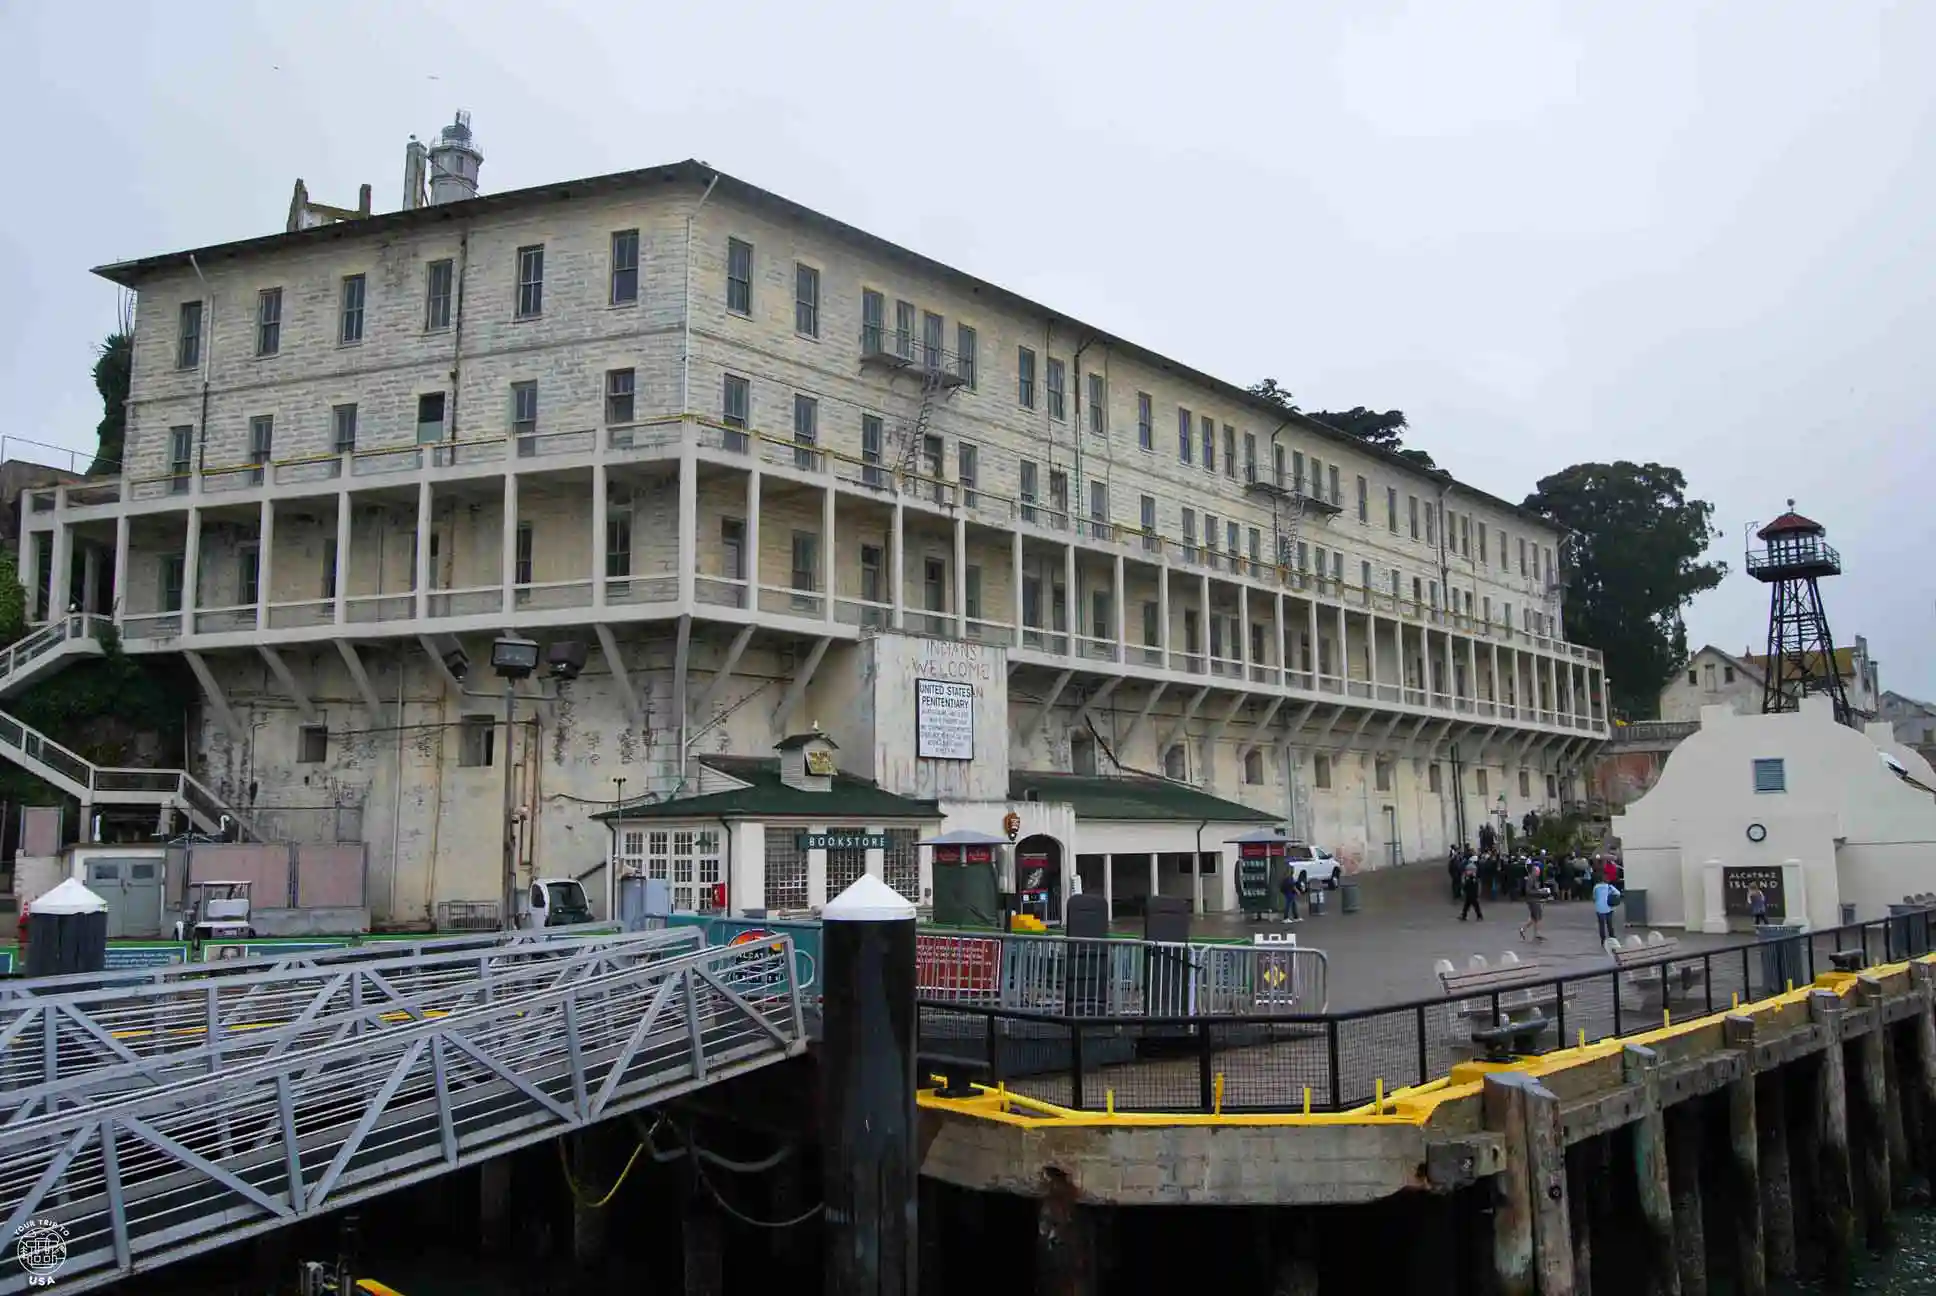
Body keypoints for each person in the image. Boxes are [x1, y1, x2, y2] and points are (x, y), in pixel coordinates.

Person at [1519, 872, 1550, 942]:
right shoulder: (1531, 879)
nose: (1538, 873)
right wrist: (1539, 892)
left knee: (1534, 918)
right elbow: (1529, 891)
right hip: (1533, 901)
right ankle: (1537, 935)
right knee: (1537, 917)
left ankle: (1523, 930)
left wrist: (1540, 891)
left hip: (1534, 900)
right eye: (1537, 871)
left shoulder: (1534, 878)